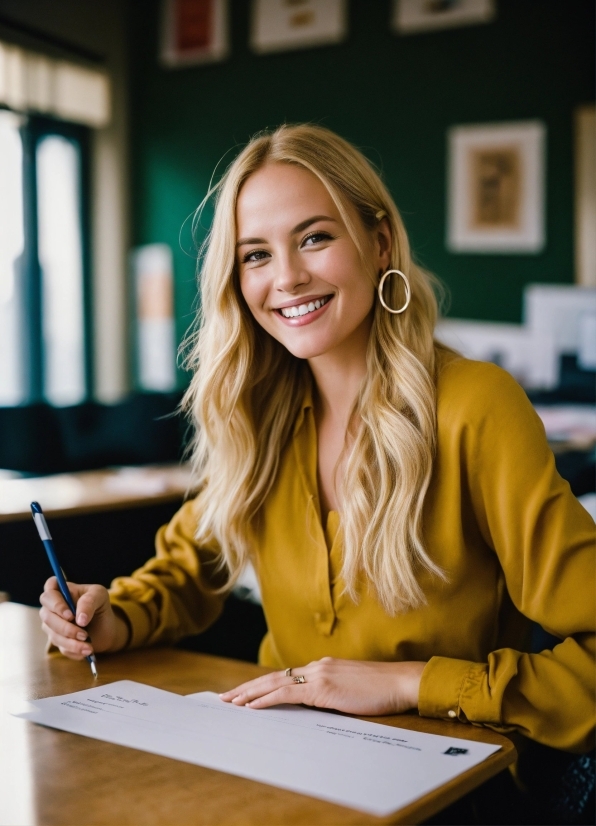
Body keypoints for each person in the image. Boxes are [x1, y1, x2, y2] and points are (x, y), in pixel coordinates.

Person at [39, 124, 594, 752]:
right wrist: (110, 619)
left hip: (446, 779)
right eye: (256, 254)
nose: (288, 278)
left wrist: (410, 683)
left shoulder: (475, 406)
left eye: (315, 238)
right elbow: (186, 572)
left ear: (379, 243)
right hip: (283, 759)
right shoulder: (261, 415)